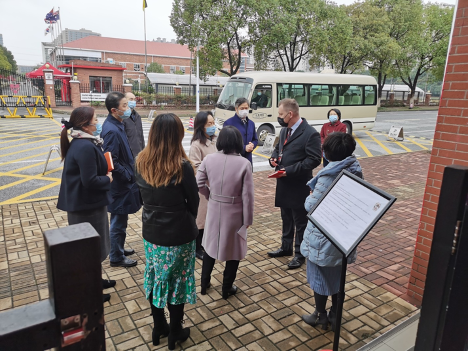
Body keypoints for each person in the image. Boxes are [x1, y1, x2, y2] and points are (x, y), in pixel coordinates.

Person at [135, 113, 199, 350]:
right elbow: (194, 203)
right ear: (177, 136)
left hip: (152, 234)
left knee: (156, 278)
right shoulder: (182, 167)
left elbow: (141, 198)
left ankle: (158, 325)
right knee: (178, 282)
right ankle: (175, 331)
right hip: (179, 234)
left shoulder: (140, 161)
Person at [300, 133, 363, 331]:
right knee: (338, 276)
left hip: (323, 236)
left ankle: (320, 316)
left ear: (327, 153)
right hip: (342, 235)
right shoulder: (354, 169)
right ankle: (336, 315)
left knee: (319, 277)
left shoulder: (329, 175)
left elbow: (312, 206)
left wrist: (310, 195)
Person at [57, 106, 115, 303]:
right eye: (95, 119)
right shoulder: (84, 146)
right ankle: (90, 291)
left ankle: (95, 281)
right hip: (86, 207)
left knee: (92, 247)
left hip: (87, 204)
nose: (98, 123)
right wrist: (108, 179)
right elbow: (89, 181)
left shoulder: (84, 142)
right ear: (85, 125)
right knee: (89, 250)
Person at [196, 126, 254, 300]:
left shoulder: (209, 159)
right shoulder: (244, 163)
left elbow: (198, 183)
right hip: (235, 211)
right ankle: (227, 288)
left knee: (210, 247)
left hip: (214, 208)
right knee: (234, 250)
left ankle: (204, 284)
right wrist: (248, 219)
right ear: (238, 142)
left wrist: (210, 196)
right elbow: (248, 196)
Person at [268, 98, 321, 269]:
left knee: (300, 221)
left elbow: (313, 160)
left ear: (290, 114)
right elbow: (279, 149)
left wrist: (289, 170)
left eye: (281, 114)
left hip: (298, 184)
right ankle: (285, 247)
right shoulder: (285, 130)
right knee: (286, 218)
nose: (279, 117)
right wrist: (274, 158)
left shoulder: (310, 133)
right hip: (283, 182)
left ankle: (300, 254)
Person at [102, 92, 142, 268]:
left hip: (123, 182)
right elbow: (112, 160)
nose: (128, 108)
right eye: (124, 106)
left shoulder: (117, 124)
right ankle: (116, 256)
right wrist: (127, 175)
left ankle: (118, 248)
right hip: (120, 185)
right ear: (114, 110)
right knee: (118, 221)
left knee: (121, 219)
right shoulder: (111, 130)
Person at [189, 111, 218, 260]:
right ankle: (197, 247)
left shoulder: (215, 140)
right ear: (201, 126)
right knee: (201, 218)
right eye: (209, 124)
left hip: (215, 186)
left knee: (210, 218)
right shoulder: (196, 145)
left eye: (213, 123)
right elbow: (195, 166)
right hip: (203, 187)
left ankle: (206, 244)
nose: (213, 126)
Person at [222, 98, 258, 164]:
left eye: (246, 108)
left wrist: (252, 145)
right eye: (242, 108)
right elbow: (226, 144)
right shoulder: (228, 123)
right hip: (234, 161)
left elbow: (255, 139)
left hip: (248, 160)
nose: (244, 110)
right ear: (236, 109)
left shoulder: (251, 123)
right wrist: (244, 148)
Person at [123, 92, 145, 158]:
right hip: (128, 155)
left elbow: (141, 136)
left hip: (139, 154)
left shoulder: (137, 117)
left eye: (134, 99)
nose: (133, 101)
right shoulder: (123, 117)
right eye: (131, 99)